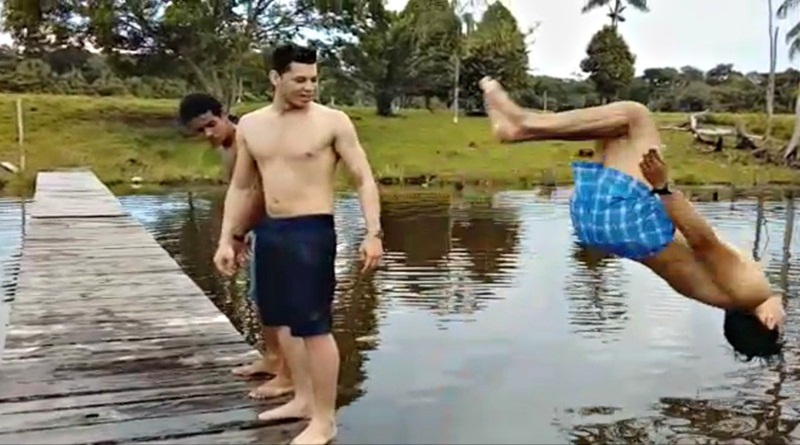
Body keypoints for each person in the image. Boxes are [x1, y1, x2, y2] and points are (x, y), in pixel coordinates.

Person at [478, 77, 784, 359]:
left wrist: (663, 188)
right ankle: (520, 129)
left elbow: (703, 242)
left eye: (779, 325)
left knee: (635, 115)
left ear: (767, 322)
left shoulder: (750, 291)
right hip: (599, 227)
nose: (784, 318)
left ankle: (522, 123)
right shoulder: (722, 297)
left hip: (631, 219)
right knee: (613, 130)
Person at [213, 43, 383, 445]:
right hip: (271, 230)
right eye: (299, 79)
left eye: (313, 79)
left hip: (312, 231)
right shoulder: (252, 125)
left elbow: (363, 178)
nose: (309, 87)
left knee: (314, 327)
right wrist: (227, 238)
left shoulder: (332, 121)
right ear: (276, 78)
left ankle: (325, 420)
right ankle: (303, 399)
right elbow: (241, 186)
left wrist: (373, 232)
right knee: (280, 319)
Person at [178, 93, 294, 398]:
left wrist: (238, 235)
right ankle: (273, 359)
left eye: (211, 125)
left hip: (281, 226)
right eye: (200, 131)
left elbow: (260, 192)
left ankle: (288, 376)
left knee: (280, 302)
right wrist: (236, 233)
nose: (208, 134)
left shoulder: (248, 140)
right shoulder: (227, 146)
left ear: (224, 114)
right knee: (262, 298)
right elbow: (238, 195)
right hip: (259, 228)